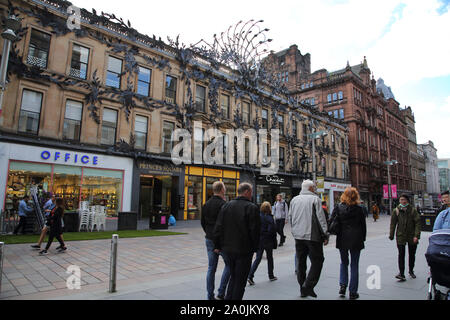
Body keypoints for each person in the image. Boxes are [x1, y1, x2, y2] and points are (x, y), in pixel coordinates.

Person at [213, 183, 260, 301]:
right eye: (251, 192)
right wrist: (255, 248)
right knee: (240, 281)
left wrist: (218, 245)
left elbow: (218, 227)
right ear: (247, 192)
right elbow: (255, 231)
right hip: (244, 251)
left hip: (228, 250)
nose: (251, 194)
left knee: (233, 277)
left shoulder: (226, 206)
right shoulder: (251, 207)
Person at [289, 180, 329, 299]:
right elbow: (321, 219)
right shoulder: (315, 199)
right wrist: (325, 234)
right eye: (314, 187)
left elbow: (290, 217)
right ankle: (308, 285)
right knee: (318, 260)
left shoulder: (294, 200)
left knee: (301, 262)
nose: (315, 189)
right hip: (312, 236)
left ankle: (302, 288)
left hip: (298, 236)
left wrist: (294, 231)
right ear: (310, 188)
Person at [332, 188, 367, 300]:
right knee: (354, 265)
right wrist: (363, 238)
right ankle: (353, 292)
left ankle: (343, 285)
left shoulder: (338, 207)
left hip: (342, 238)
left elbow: (332, 221)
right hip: (356, 239)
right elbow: (363, 226)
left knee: (344, 262)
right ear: (355, 196)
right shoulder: (359, 209)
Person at [201, 181, 230, 300]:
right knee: (229, 265)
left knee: (211, 268)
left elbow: (202, 222)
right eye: (225, 188)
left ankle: (210, 296)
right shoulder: (224, 204)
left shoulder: (206, 204)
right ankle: (221, 292)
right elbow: (226, 224)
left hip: (209, 238)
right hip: (221, 240)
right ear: (222, 190)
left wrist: (208, 233)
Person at [389, 194, 421, 281]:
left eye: (404, 199)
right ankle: (401, 273)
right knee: (401, 254)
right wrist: (391, 235)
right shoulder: (396, 210)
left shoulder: (413, 210)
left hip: (411, 235)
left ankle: (411, 271)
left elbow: (418, 223)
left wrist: (416, 235)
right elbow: (393, 223)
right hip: (400, 235)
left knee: (412, 254)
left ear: (407, 200)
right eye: (400, 200)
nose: (402, 201)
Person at [248, 202, 278, 285]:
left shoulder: (258, 217)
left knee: (258, 258)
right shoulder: (269, 218)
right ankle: (271, 275)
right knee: (270, 258)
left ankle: (250, 275)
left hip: (260, 240)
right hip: (268, 240)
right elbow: (272, 230)